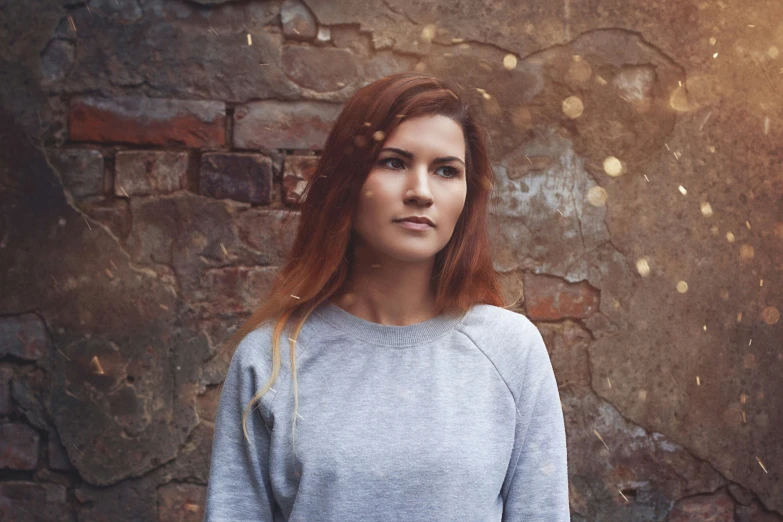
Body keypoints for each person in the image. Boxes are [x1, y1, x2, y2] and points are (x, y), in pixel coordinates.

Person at [202, 72, 570, 521]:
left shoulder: (511, 351)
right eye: (394, 162)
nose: (420, 191)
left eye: (446, 170)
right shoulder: (270, 359)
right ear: (347, 182)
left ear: (468, 195)